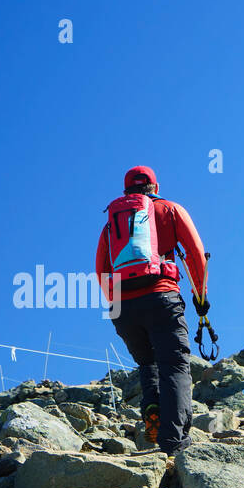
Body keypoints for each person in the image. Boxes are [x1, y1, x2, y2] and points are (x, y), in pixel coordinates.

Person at [95, 165, 208, 454]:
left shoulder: (112, 224)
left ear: (125, 193)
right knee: (175, 365)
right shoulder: (170, 210)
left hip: (123, 307)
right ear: (155, 188)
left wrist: (117, 302)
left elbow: (101, 270)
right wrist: (200, 296)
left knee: (148, 365)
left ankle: (155, 416)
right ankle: (174, 442)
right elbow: (195, 253)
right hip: (162, 297)